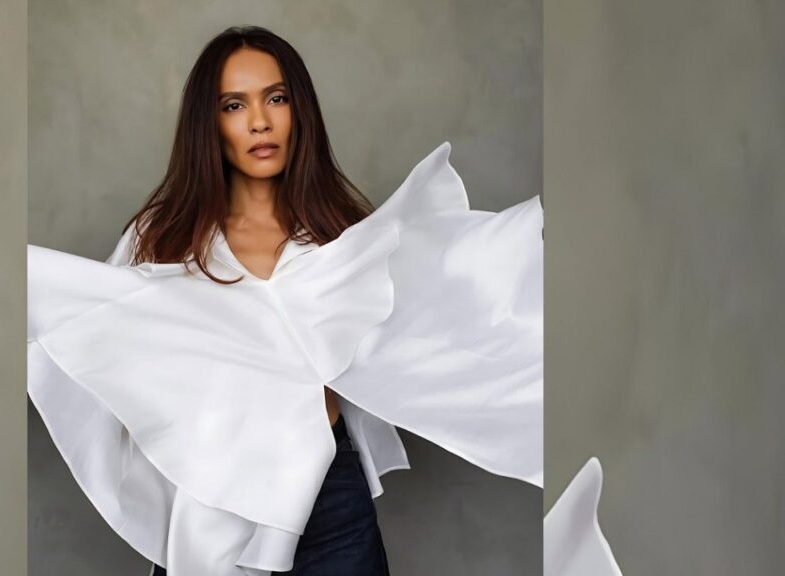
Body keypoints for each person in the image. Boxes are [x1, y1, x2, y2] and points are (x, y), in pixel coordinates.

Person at [28, 25, 543, 576]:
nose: (259, 121)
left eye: (276, 98)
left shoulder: (340, 235)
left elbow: (440, 320)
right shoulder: (163, 238)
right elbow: (98, 340)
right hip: (213, 500)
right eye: (234, 105)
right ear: (211, 123)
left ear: (300, 111)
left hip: (332, 498)